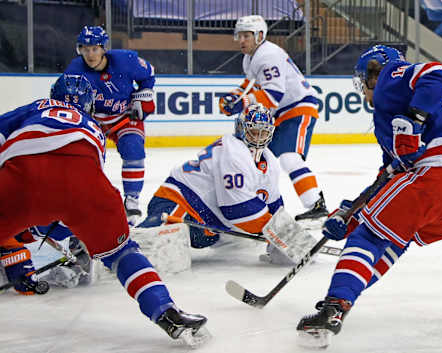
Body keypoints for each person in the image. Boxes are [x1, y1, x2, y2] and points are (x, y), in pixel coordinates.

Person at [0, 74, 209, 346]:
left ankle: (16, 253)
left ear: (53, 96)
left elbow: (37, 187)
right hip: (86, 186)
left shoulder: (35, 108)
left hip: (21, 178)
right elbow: (69, 188)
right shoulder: (94, 126)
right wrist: (77, 232)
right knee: (122, 254)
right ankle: (165, 311)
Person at [296, 44, 442, 349]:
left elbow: (438, 73)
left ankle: (335, 306)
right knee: (395, 234)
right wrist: (350, 212)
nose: (362, 89)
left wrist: (415, 119)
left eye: (362, 79)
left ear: (373, 72)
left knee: (369, 237)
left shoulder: (390, 79)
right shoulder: (388, 125)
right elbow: (388, 180)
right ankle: (344, 299)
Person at [139, 104, 291, 265]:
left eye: (264, 132)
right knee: (154, 248)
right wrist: (276, 232)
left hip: (211, 225)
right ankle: (123, 247)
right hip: (179, 203)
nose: (259, 137)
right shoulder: (233, 153)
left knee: (244, 242)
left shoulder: (269, 160)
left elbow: (274, 204)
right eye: (254, 131)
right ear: (241, 129)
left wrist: (287, 233)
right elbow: (238, 210)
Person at [218, 15, 329, 224]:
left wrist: (241, 103)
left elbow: (273, 96)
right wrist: (234, 96)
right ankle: (253, 205)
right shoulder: (251, 57)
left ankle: (316, 205)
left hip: (299, 107)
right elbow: (250, 85)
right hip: (282, 113)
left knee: (289, 157)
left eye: (246, 36)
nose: (241, 40)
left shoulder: (268, 54)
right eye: (239, 35)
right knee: (261, 159)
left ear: (260, 35)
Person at [65, 26, 155, 225]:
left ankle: (132, 201)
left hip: (124, 117)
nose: (90, 54)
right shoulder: (74, 70)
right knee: (85, 160)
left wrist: (143, 96)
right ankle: (89, 200)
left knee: (134, 150)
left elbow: (149, 75)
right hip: (93, 121)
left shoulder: (126, 60)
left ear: (103, 48)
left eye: (94, 49)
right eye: (85, 49)